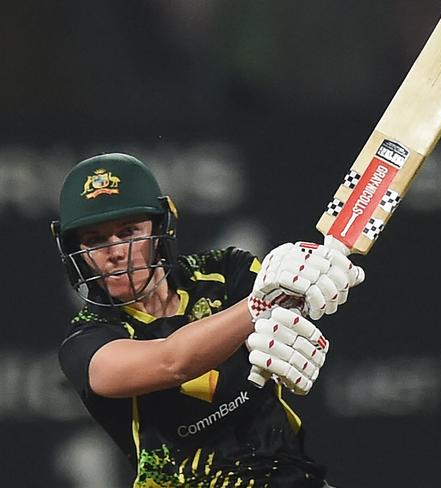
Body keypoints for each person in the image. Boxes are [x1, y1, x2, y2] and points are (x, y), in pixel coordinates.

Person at [51, 153, 364, 488]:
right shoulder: (86, 340)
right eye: (95, 240)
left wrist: (313, 281)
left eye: (129, 232)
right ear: (76, 253)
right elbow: (171, 362)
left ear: (160, 228)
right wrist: (257, 307)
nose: (115, 252)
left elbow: (291, 305)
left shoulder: (227, 272)